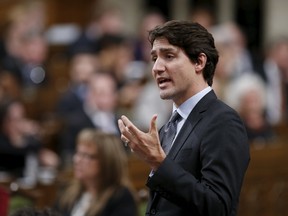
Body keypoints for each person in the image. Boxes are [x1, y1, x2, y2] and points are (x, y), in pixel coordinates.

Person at [118, 20, 250, 216]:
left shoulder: (223, 122)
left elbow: (218, 207)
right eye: (154, 58)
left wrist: (159, 164)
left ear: (199, 62)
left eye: (169, 56)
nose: (156, 67)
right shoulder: (166, 127)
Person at [54, 129, 138, 216]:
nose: (77, 160)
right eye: (78, 153)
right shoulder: (68, 191)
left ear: (107, 162)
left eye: (86, 155)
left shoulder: (121, 198)